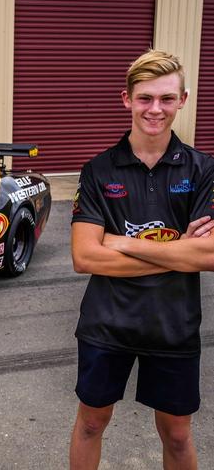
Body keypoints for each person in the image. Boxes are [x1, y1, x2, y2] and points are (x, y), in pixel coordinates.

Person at [69, 49, 214, 470]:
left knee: (178, 433)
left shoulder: (204, 170)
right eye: (146, 98)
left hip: (175, 324)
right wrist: (178, 252)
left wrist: (121, 242)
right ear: (127, 99)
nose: (156, 109)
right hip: (106, 324)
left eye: (167, 99)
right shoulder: (98, 171)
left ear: (183, 100)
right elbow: (84, 256)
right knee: (91, 424)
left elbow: (207, 254)